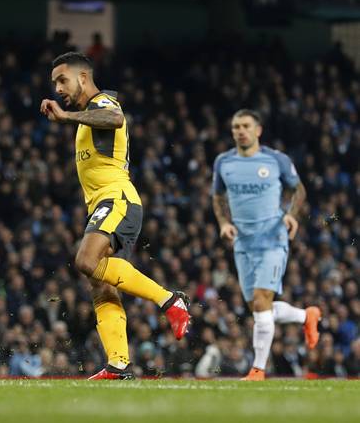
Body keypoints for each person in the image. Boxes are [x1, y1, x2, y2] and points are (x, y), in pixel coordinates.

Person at [39, 52, 190, 380]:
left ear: (82, 78)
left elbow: (115, 119)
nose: (57, 88)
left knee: (85, 261)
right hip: (103, 204)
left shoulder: (103, 103)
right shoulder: (87, 115)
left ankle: (170, 300)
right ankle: (117, 363)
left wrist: (66, 117)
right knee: (101, 283)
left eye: (62, 80)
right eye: (54, 83)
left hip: (117, 198)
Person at [212, 108, 321, 381]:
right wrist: (224, 223)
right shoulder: (224, 162)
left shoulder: (276, 160)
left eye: (246, 126)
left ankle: (258, 369)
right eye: (236, 126)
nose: (240, 131)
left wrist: (291, 216)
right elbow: (217, 197)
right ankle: (305, 316)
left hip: (272, 239)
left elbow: (299, 189)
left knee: (261, 302)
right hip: (243, 243)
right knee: (260, 308)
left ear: (258, 130)